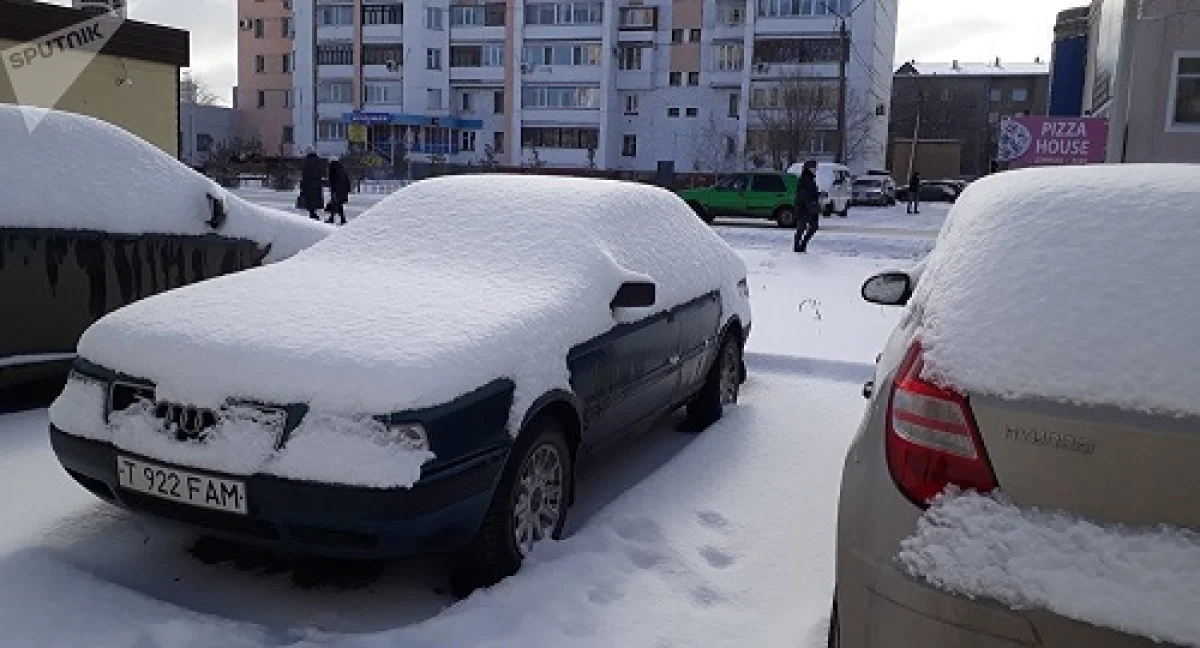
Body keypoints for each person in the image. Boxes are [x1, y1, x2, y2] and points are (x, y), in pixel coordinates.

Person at [794, 160, 821, 253]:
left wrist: (818, 194)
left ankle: (802, 245)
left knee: (813, 227)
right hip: (804, 208)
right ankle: (797, 247)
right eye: (814, 168)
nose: (815, 170)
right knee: (801, 228)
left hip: (810, 208)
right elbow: (801, 194)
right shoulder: (803, 179)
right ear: (809, 169)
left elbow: (810, 192)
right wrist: (811, 197)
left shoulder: (811, 179)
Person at [299, 148, 325, 221]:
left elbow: (305, 174)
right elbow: (322, 172)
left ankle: (312, 214)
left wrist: (302, 184)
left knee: (309, 200)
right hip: (317, 184)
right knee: (315, 199)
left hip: (309, 184)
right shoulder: (318, 160)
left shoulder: (307, 162)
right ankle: (313, 213)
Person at [325, 158, 351, 225]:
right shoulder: (341, 168)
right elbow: (347, 179)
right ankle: (340, 219)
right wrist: (347, 189)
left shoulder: (332, 169)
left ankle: (336, 219)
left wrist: (333, 191)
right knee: (338, 204)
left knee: (336, 204)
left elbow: (332, 181)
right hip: (342, 190)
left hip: (336, 190)